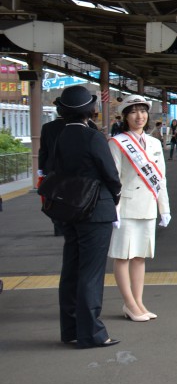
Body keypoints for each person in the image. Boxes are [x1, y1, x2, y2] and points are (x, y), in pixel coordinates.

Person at [50, 85, 122, 348]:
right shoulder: (93, 138)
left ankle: (70, 329)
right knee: (91, 274)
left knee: (71, 270)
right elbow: (111, 176)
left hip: (69, 210)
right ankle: (91, 334)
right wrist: (113, 197)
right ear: (90, 111)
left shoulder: (60, 137)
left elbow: (53, 170)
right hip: (96, 210)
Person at [108, 94, 171, 322]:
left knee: (140, 256)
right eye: (133, 112)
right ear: (125, 116)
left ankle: (139, 302)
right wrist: (113, 209)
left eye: (143, 111)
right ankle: (129, 303)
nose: (140, 116)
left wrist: (164, 208)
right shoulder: (116, 143)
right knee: (123, 256)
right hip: (125, 207)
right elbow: (113, 178)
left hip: (147, 206)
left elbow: (160, 178)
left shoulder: (154, 143)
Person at [38, 98, 70, 236]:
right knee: (71, 198)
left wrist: (41, 169)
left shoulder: (47, 127)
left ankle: (58, 226)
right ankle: (70, 223)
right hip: (72, 170)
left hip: (51, 170)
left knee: (54, 198)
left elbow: (43, 150)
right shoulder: (78, 127)